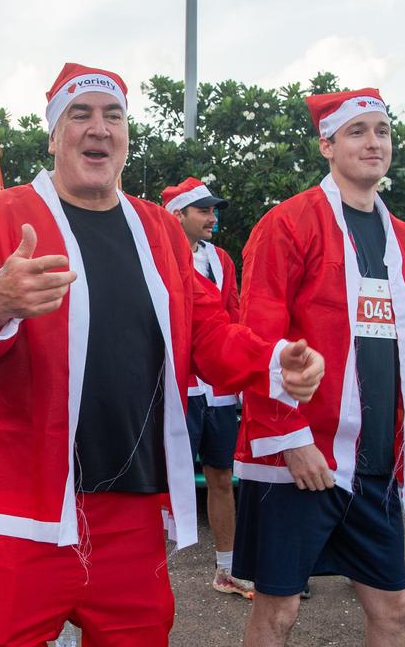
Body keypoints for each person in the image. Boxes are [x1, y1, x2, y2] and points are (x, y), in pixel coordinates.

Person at [0, 62, 325, 647]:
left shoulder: (160, 229)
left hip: (131, 509)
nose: (99, 127)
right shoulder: (4, 214)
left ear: (126, 135)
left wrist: (273, 362)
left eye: (112, 115)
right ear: (53, 134)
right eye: (80, 114)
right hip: (28, 505)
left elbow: (209, 331)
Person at [232, 89, 405, 646]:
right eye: (356, 131)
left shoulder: (404, 239)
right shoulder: (287, 224)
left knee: (395, 609)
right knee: (278, 611)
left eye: (381, 130)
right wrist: (290, 438)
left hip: (376, 461)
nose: (373, 142)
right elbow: (258, 341)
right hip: (302, 459)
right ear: (327, 145)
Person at [161, 176, 254, 599]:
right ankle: (141, 572)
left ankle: (227, 569)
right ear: (178, 214)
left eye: (214, 210)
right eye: (203, 210)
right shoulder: (158, 254)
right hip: (176, 388)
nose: (212, 218)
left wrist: (241, 374)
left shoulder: (220, 259)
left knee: (221, 475)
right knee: (158, 479)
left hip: (217, 392)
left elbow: (233, 316)